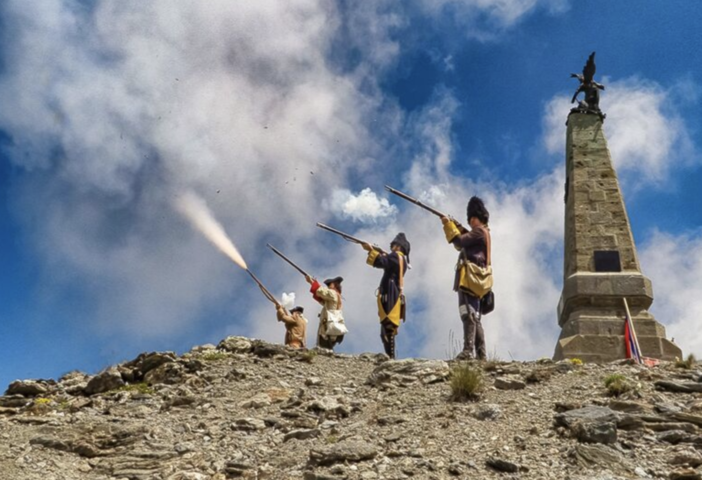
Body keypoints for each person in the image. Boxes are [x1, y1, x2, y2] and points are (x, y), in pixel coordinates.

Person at [441, 196, 491, 360]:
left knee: (468, 313)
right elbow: (461, 243)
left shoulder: (478, 231)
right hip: (476, 278)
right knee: (474, 316)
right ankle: (481, 355)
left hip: (470, 276)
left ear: (475, 218)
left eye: (471, 220)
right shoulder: (483, 232)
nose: (470, 223)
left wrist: (448, 225)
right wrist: (457, 227)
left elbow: (460, 242)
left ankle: (468, 351)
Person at [362, 233, 410, 359]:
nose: (392, 247)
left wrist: (370, 250)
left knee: (388, 326)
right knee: (386, 327)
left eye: (394, 245)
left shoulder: (395, 256)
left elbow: (381, 262)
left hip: (389, 291)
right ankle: (390, 356)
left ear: (399, 247)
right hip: (392, 291)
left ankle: (391, 357)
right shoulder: (401, 259)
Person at [306, 275, 345, 350]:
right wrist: (314, 282)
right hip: (331, 329)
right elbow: (321, 298)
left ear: (334, 285)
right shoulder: (335, 296)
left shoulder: (333, 293)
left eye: (329, 285)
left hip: (328, 328)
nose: (328, 287)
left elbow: (321, 291)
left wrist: (311, 282)